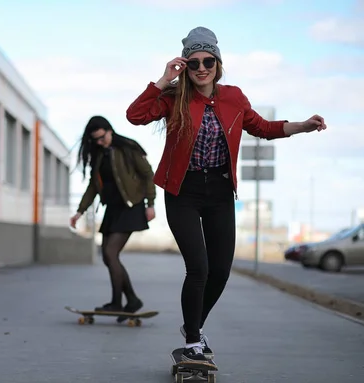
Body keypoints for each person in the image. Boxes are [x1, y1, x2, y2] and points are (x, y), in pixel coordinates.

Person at [125, 27, 327, 362]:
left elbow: (264, 128)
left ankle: (194, 327)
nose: (202, 67)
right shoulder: (174, 98)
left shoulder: (234, 97)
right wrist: (163, 80)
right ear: (185, 66)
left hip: (219, 192)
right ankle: (193, 339)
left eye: (208, 61)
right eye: (194, 62)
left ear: (218, 63)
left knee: (220, 270)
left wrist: (302, 126)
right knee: (199, 268)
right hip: (183, 192)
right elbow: (135, 116)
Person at [70, 115, 157, 320]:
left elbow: (148, 174)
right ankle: (131, 300)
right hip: (113, 210)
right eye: (96, 140)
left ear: (110, 131)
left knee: (110, 253)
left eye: (102, 138)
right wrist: (79, 211)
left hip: (131, 207)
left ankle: (118, 302)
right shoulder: (99, 156)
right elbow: (93, 186)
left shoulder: (127, 147)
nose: (100, 142)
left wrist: (151, 204)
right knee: (109, 256)